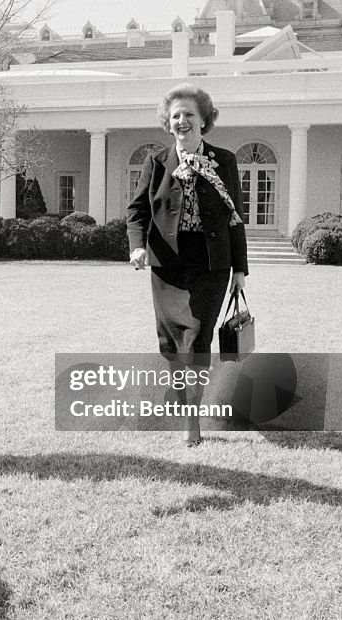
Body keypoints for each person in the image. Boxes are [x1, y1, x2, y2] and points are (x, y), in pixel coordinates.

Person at [125, 83, 248, 447]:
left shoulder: (223, 160)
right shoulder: (156, 162)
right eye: (175, 115)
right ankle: (183, 399)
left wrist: (239, 268)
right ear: (168, 122)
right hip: (167, 267)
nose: (182, 121)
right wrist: (136, 247)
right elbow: (138, 211)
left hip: (211, 264)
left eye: (189, 115)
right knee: (170, 343)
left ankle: (191, 422)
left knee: (196, 337)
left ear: (204, 120)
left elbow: (234, 216)